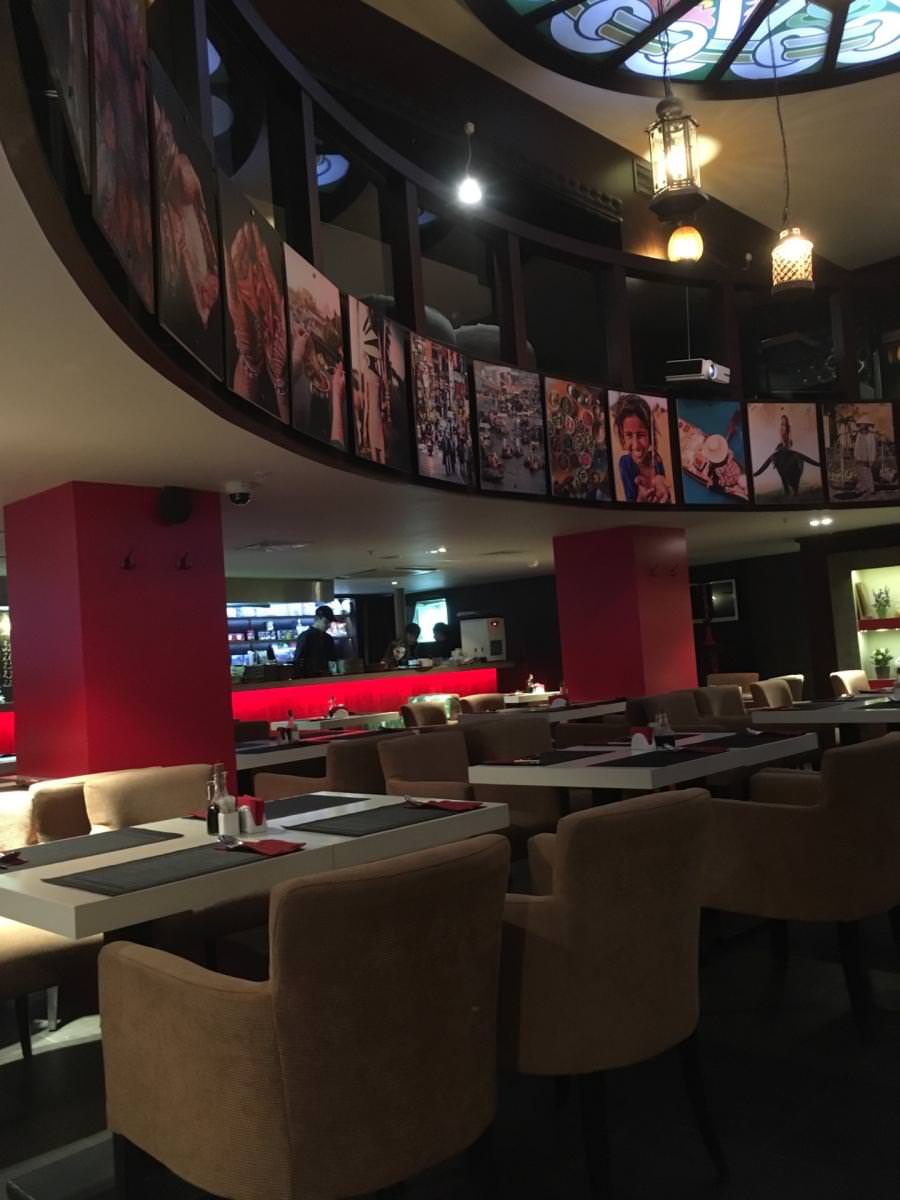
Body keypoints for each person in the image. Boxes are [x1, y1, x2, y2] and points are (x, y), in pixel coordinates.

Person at [613, 392, 671, 504]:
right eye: (629, 435)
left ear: (650, 435)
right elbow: (631, 505)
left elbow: (663, 487)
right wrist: (641, 499)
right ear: (622, 437)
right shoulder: (625, 464)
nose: (636, 445)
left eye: (641, 435)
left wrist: (663, 487)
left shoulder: (656, 458)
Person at [753, 414, 820, 498]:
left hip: (788, 445)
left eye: (784, 420)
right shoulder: (781, 428)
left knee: (798, 455)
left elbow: (790, 437)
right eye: (782, 420)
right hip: (782, 445)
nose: (783, 421)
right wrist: (782, 445)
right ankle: (757, 473)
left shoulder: (789, 427)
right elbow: (781, 438)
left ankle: (817, 464)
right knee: (773, 457)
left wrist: (788, 444)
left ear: (786, 420)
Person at [292, 605, 336, 678]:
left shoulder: (305, 636)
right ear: (317, 619)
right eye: (326, 622)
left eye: (329, 622)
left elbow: (297, 661)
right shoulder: (327, 638)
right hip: (317, 677)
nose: (328, 625)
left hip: (311, 678)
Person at [854, 420, 878, 498]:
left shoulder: (871, 435)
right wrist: (856, 456)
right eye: (861, 425)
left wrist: (872, 458)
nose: (862, 427)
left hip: (867, 456)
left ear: (867, 426)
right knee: (860, 472)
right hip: (859, 456)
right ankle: (862, 487)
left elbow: (873, 448)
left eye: (863, 425)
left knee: (867, 472)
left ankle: (871, 489)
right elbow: (856, 446)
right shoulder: (859, 435)